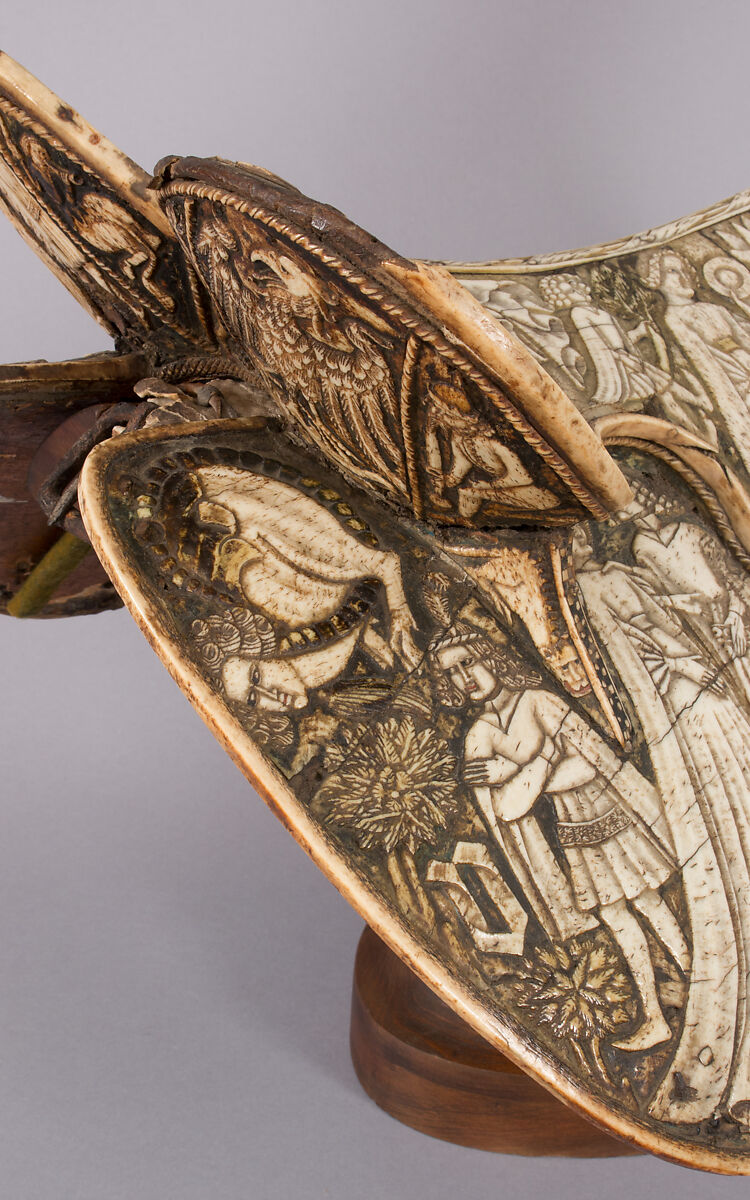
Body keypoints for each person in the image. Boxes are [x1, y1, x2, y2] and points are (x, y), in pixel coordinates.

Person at [432, 623, 688, 1052]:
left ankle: (700, 983)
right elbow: (508, 809)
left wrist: (520, 770)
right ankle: (658, 1016)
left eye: (469, 662)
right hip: (575, 834)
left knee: (649, 902)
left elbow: (591, 763)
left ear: (489, 656)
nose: (465, 678)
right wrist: (546, 761)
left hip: (613, 816)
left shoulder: (539, 700)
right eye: (453, 673)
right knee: (617, 914)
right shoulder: (478, 735)